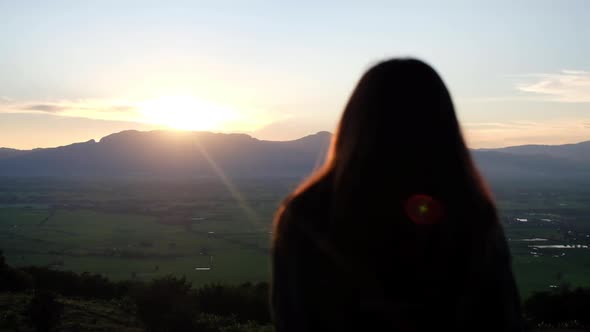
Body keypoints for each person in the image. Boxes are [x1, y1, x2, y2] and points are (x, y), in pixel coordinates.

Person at [271, 59, 522, 331]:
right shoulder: (469, 214)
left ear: (354, 122)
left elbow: (292, 319)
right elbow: (502, 317)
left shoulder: (306, 214)